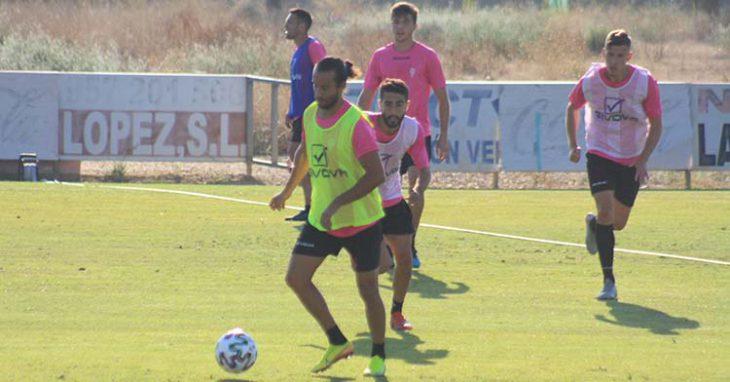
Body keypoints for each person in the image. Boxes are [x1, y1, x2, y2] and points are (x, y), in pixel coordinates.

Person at [270, 56, 388, 376]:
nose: (319, 93)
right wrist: (287, 192)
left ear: (340, 87)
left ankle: (378, 355)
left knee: (368, 290)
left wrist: (339, 202)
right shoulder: (309, 114)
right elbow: (306, 157)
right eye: (315, 86)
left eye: (325, 87)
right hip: (322, 219)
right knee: (296, 278)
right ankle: (337, 341)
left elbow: (376, 174)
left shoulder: (355, 124)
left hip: (361, 220)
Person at [565, 29, 663, 300]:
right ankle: (609, 282)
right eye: (610, 55)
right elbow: (572, 107)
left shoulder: (644, 83)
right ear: (603, 54)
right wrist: (573, 145)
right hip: (599, 153)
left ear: (629, 57)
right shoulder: (592, 80)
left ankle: (595, 225)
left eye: (620, 56)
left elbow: (656, 125)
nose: (614, 61)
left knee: (616, 223)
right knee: (607, 210)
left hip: (631, 159)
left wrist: (642, 160)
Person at [358, 1, 450, 269]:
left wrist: (443, 135)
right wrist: (354, 128)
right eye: (396, 22)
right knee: (382, 193)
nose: (400, 27)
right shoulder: (380, 56)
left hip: (416, 136)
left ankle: (409, 244)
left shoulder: (427, 56)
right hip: (384, 136)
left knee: (416, 194)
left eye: (405, 22)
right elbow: (367, 94)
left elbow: (443, 98)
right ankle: (386, 244)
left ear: (414, 26)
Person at [369, 79, 430, 331]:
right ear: (379, 104)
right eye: (388, 104)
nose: (393, 111)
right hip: (364, 202)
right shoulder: (363, 125)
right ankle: (372, 309)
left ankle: (397, 313)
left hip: (393, 201)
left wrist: (417, 189)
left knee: (404, 258)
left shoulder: (412, 129)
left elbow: (424, 170)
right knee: (382, 265)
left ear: (407, 105)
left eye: (398, 105)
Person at [283, 8, 327, 221]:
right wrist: (291, 111)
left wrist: (323, 108)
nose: (286, 26)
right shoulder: (297, 51)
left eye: (290, 23)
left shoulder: (313, 47)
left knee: (300, 157)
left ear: (301, 26)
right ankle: (311, 206)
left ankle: (315, 205)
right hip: (301, 115)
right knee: (297, 157)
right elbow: (297, 86)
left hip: (313, 114)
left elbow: (325, 75)